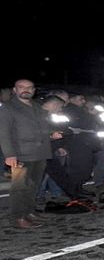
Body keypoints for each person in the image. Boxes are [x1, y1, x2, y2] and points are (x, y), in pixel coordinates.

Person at [0, 79, 63, 229]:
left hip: (40, 153)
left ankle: (29, 212)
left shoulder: (36, 107)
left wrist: (50, 133)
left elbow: (41, 128)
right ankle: (18, 217)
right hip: (20, 154)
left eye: (29, 87)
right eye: (21, 87)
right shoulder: (8, 108)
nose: (25, 90)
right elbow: (4, 133)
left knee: (33, 186)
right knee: (19, 188)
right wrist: (9, 154)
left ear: (34, 90)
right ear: (15, 90)